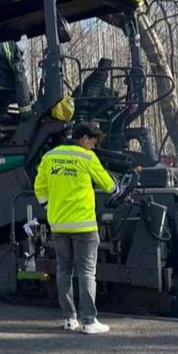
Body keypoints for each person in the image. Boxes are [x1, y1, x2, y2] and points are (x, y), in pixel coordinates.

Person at [34, 122, 116, 334]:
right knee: (87, 271)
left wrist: (48, 206)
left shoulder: (49, 157)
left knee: (64, 270)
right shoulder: (86, 157)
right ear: (84, 138)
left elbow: (39, 187)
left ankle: (69, 319)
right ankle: (89, 321)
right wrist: (118, 188)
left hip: (59, 224)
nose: (94, 147)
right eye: (93, 142)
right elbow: (107, 184)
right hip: (84, 225)